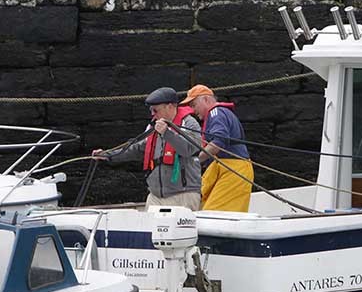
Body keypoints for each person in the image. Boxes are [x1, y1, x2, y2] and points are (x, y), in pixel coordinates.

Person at [92, 87, 203, 211]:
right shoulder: (152, 126)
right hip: (155, 196)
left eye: (155, 110)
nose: (152, 114)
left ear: (170, 106)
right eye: (151, 110)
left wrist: (167, 133)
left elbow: (189, 149)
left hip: (183, 195)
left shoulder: (189, 123)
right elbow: (137, 149)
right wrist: (107, 155)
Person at [181, 84, 254, 212]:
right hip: (223, 166)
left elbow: (219, 142)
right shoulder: (219, 114)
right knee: (202, 200)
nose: (192, 110)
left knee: (214, 212)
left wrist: (195, 161)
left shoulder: (216, 113)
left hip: (234, 168)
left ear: (206, 99)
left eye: (193, 105)